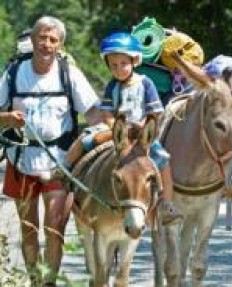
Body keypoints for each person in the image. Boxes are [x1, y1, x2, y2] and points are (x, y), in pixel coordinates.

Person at [0, 16, 100, 286]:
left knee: (55, 229)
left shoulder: (70, 74)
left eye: (52, 39)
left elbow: (93, 114)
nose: (46, 44)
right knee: (29, 229)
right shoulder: (12, 73)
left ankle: (48, 283)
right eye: (41, 37)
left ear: (60, 45)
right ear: (32, 39)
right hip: (20, 159)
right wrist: (8, 118)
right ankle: (35, 280)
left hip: (60, 161)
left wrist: (114, 134)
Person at [45, 31, 183, 226]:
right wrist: (115, 128)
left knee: (163, 159)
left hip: (142, 134)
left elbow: (155, 112)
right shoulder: (112, 86)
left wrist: (143, 130)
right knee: (85, 139)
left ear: (134, 61)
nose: (119, 69)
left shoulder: (145, 83)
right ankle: (65, 168)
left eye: (123, 64)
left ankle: (167, 204)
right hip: (117, 131)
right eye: (113, 65)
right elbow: (108, 113)